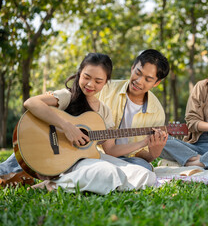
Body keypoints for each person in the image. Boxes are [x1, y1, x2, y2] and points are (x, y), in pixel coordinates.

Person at [0, 49, 170, 185]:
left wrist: (145, 142)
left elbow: (111, 150)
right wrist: (68, 127)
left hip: (84, 156)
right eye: (87, 78)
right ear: (80, 73)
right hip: (55, 144)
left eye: (98, 81)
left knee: (142, 169)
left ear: (105, 83)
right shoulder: (69, 95)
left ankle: (53, 180)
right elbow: (31, 103)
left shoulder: (104, 111)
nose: (91, 84)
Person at [96, 49, 170, 170]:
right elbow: (73, 99)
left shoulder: (157, 112)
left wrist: (153, 153)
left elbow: (141, 155)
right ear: (132, 68)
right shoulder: (106, 88)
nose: (139, 81)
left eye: (148, 79)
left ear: (156, 83)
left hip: (125, 160)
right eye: (138, 73)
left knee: (144, 167)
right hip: (94, 153)